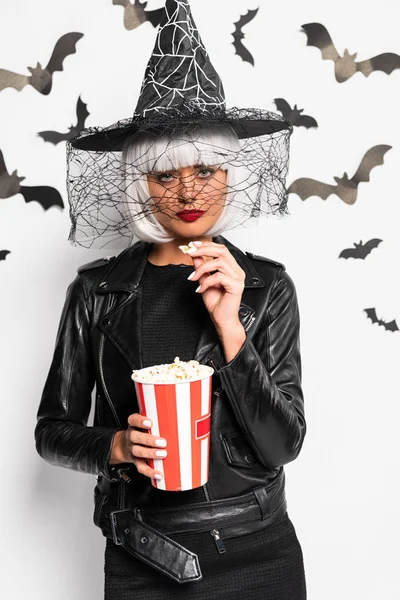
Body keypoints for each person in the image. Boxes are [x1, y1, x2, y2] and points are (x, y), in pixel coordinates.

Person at [35, 1, 307, 598]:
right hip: (145, 555)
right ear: (142, 185)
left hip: (260, 552)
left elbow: (283, 444)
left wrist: (232, 326)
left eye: (206, 170)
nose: (187, 190)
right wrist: (112, 444)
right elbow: (51, 429)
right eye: (165, 175)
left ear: (229, 176)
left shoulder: (265, 287)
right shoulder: (97, 293)